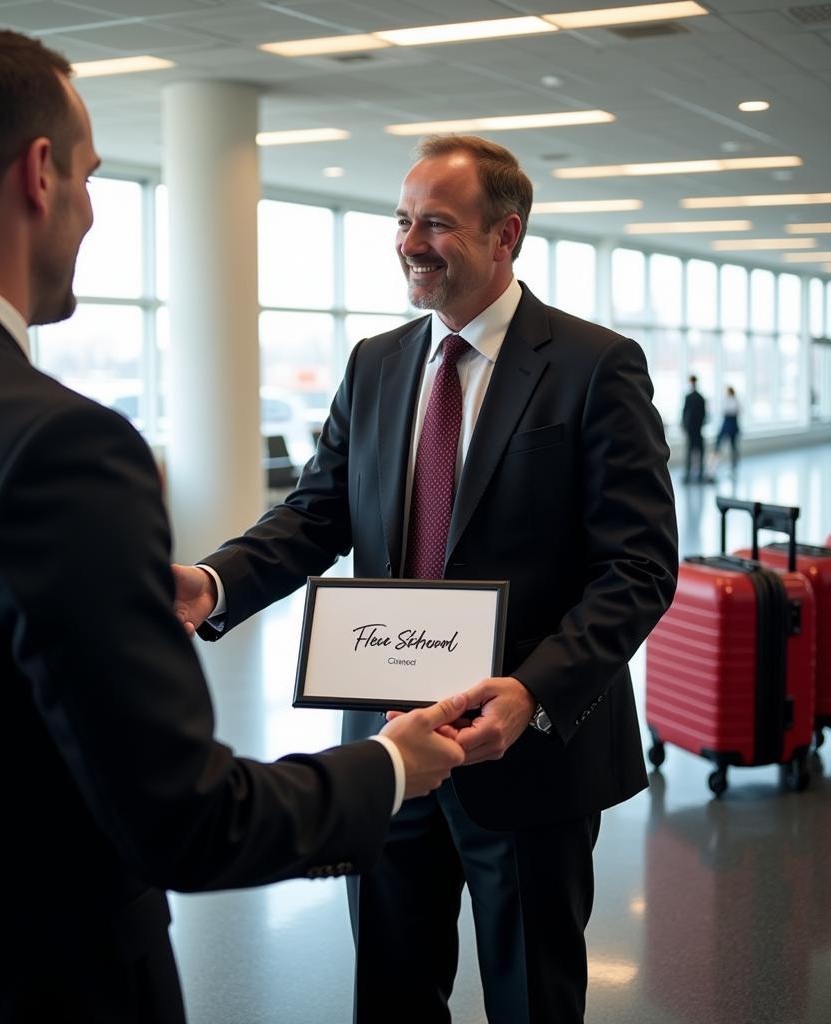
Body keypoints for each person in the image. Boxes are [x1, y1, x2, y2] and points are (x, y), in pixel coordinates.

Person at [0, 29, 474, 1024]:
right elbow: (184, 818)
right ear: (40, 174)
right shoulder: (59, 444)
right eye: (89, 177)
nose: (88, 211)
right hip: (27, 985)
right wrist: (388, 766)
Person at [173, 135, 678, 1023]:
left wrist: (531, 691)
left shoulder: (595, 367)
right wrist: (214, 584)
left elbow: (637, 568)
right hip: (390, 745)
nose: (409, 242)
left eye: (436, 224)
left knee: (534, 995)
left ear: (504, 236)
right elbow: (315, 515)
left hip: (528, 751)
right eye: (403, 221)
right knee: (392, 991)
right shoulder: (377, 363)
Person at [681, 374, 709, 482]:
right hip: (696, 429)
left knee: (691, 451)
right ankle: (699, 474)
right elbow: (704, 414)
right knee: (698, 451)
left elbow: (685, 412)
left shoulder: (690, 397)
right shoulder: (700, 397)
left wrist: (684, 424)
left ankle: (690, 474)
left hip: (693, 429)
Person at [714, 384, 741, 470]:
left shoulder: (735, 400)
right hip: (727, 423)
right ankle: (715, 462)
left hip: (732, 424)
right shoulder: (727, 400)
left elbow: (733, 411)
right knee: (719, 443)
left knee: (733, 445)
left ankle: (734, 464)